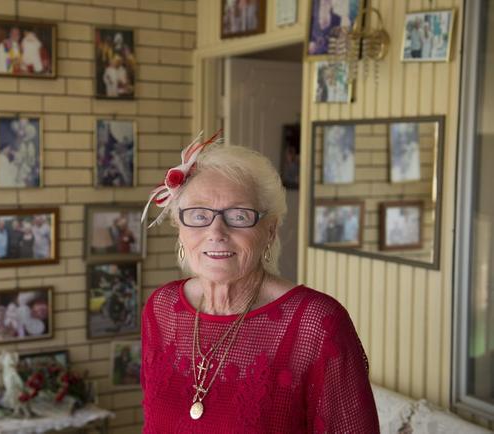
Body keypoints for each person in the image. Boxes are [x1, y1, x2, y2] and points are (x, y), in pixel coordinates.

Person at [139, 131, 379, 432]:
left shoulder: (317, 323)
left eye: (239, 216)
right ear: (180, 227)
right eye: (199, 215)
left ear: (270, 230)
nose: (216, 232)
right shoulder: (161, 309)